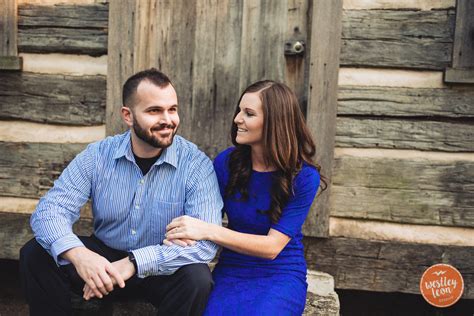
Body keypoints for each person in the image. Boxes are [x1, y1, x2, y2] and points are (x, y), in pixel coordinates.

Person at [19, 68, 223, 316]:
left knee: (197, 278)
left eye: (172, 109)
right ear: (128, 115)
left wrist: (134, 262)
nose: (168, 119)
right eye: (154, 111)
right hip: (103, 259)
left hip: (160, 266)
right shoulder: (98, 155)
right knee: (36, 254)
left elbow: (204, 245)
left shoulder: (195, 165)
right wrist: (80, 255)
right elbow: (50, 210)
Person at [165, 80, 324, 315]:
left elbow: (272, 248)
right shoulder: (227, 163)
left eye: (248, 113)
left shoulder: (303, 177)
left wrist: (208, 230)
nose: (237, 119)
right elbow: (202, 215)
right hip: (233, 269)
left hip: (279, 274)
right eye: (240, 110)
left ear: (274, 122)